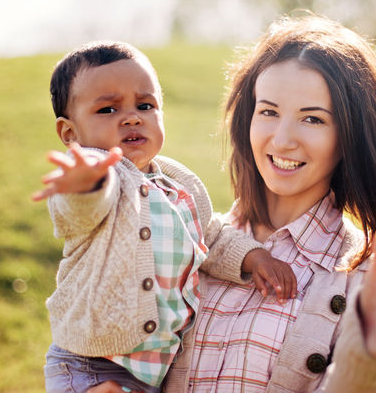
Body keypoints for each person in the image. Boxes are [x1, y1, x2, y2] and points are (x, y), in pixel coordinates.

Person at [90, 14, 376, 393]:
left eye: (313, 119)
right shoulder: (184, 235)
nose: (283, 140)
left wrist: (364, 360)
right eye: (268, 111)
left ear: (350, 136)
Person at [32, 41, 297, 393]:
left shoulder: (178, 183)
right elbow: (79, 210)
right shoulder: (99, 177)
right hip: (90, 364)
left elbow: (212, 236)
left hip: (151, 374)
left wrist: (253, 255)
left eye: (145, 105)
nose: (131, 117)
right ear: (70, 134)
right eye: (108, 110)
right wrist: (84, 184)